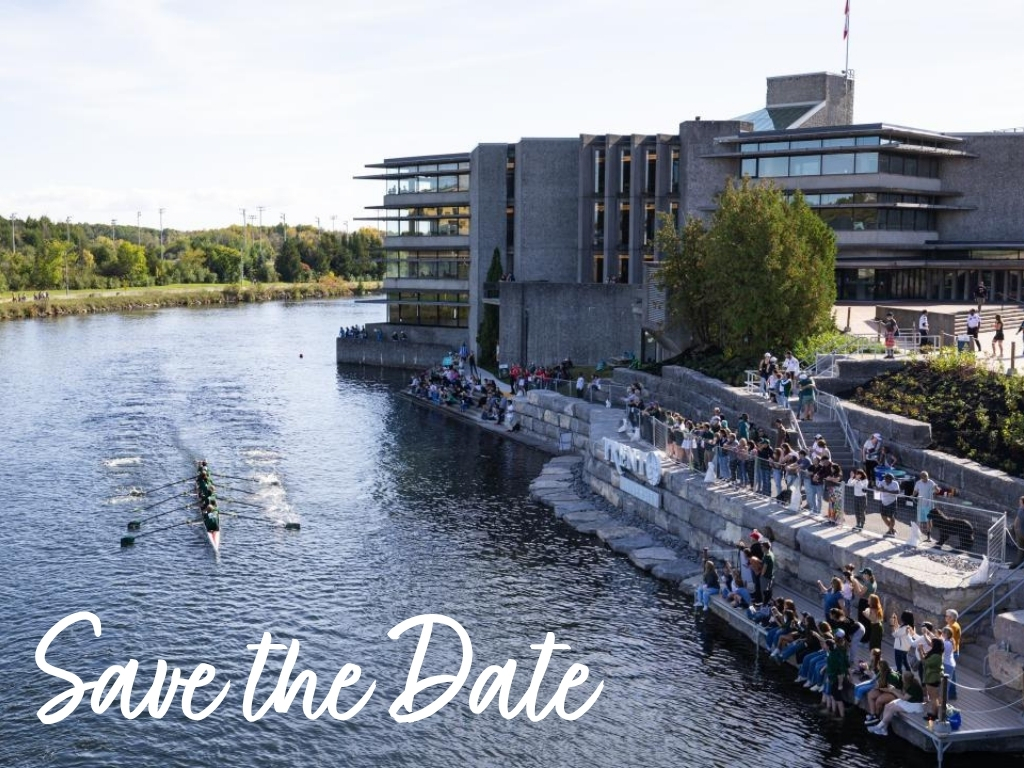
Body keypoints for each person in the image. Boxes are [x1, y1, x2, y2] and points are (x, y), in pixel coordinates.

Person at [867, 670, 924, 735]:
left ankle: (878, 726)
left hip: (915, 705)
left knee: (892, 708)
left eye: (902, 677)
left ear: (906, 679)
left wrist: (893, 691)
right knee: (887, 705)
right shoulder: (907, 683)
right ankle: (884, 729)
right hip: (908, 702)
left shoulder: (914, 687)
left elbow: (904, 698)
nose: (901, 678)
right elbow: (903, 694)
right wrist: (894, 689)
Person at [922, 637, 945, 721]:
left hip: (933, 679)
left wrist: (920, 650)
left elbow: (925, 662)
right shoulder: (936, 654)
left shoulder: (936, 656)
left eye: (932, 642)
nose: (930, 643)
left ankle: (934, 715)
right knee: (934, 698)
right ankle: (934, 713)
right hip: (931, 678)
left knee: (933, 698)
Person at [913, 471, 939, 541]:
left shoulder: (931, 482)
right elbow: (915, 491)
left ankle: (928, 537)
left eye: (926, 477)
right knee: (920, 520)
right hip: (921, 504)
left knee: (928, 521)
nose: (926, 479)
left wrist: (936, 489)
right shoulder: (918, 483)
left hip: (929, 505)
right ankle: (918, 536)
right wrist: (913, 496)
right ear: (921, 477)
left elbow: (937, 491)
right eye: (924, 477)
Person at [944, 609, 961, 700]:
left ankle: (952, 694)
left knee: (950, 675)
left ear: (952, 618)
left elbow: (948, 638)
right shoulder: (951, 625)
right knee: (951, 674)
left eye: (947, 616)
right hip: (953, 652)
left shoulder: (953, 627)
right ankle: (951, 693)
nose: (945, 618)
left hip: (952, 653)